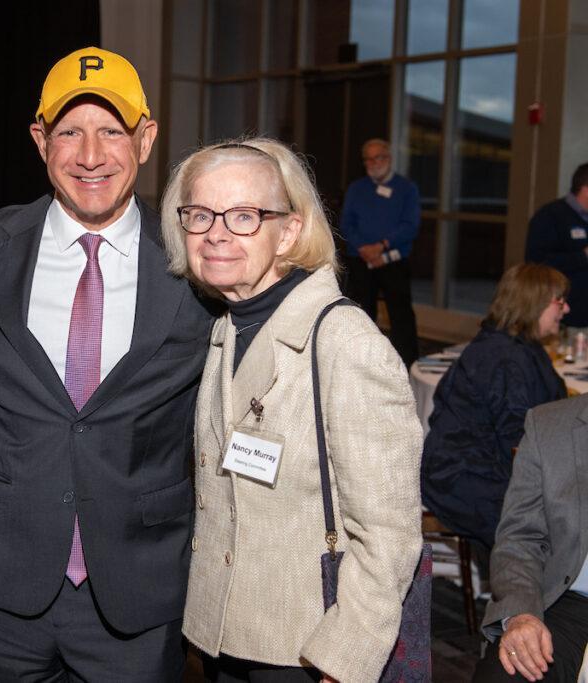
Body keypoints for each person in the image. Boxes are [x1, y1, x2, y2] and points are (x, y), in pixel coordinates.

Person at [0, 47, 215, 681]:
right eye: (69, 132)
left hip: (140, 591)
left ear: (146, 139)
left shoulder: (199, 262)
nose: (90, 156)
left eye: (112, 132)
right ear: (40, 141)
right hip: (4, 588)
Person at [160, 137, 423, 682]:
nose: (216, 233)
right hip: (227, 635)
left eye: (244, 216)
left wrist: (343, 662)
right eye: (201, 214)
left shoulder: (345, 343)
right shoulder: (226, 327)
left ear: (288, 232)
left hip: (306, 649)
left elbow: (389, 535)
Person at [421, 263, 569, 551]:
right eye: (559, 301)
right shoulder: (505, 359)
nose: (566, 309)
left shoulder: (516, 346)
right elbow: (519, 443)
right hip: (467, 480)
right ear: (534, 301)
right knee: (559, 526)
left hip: (477, 469)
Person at [473, 394, 588, 682]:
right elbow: (520, 539)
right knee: (507, 674)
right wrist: (521, 615)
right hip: (570, 603)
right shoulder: (549, 425)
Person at [340, 138, 421, 368]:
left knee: (401, 316)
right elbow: (346, 224)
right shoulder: (356, 189)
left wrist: (382, 246)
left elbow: (410, 226)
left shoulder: (407, 189)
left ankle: (407, 366)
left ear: (389, 158)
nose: (374, 163)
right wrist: (364, 248)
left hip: (393, 260)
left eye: (379, 157)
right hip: (360, 259)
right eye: (368, 159)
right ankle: (360, 365)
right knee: (361, 315)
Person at [525, 162, 588, 328]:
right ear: (585, 189)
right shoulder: (550, 216)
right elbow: (535, 264)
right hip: (563, 320)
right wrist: (582, 256)